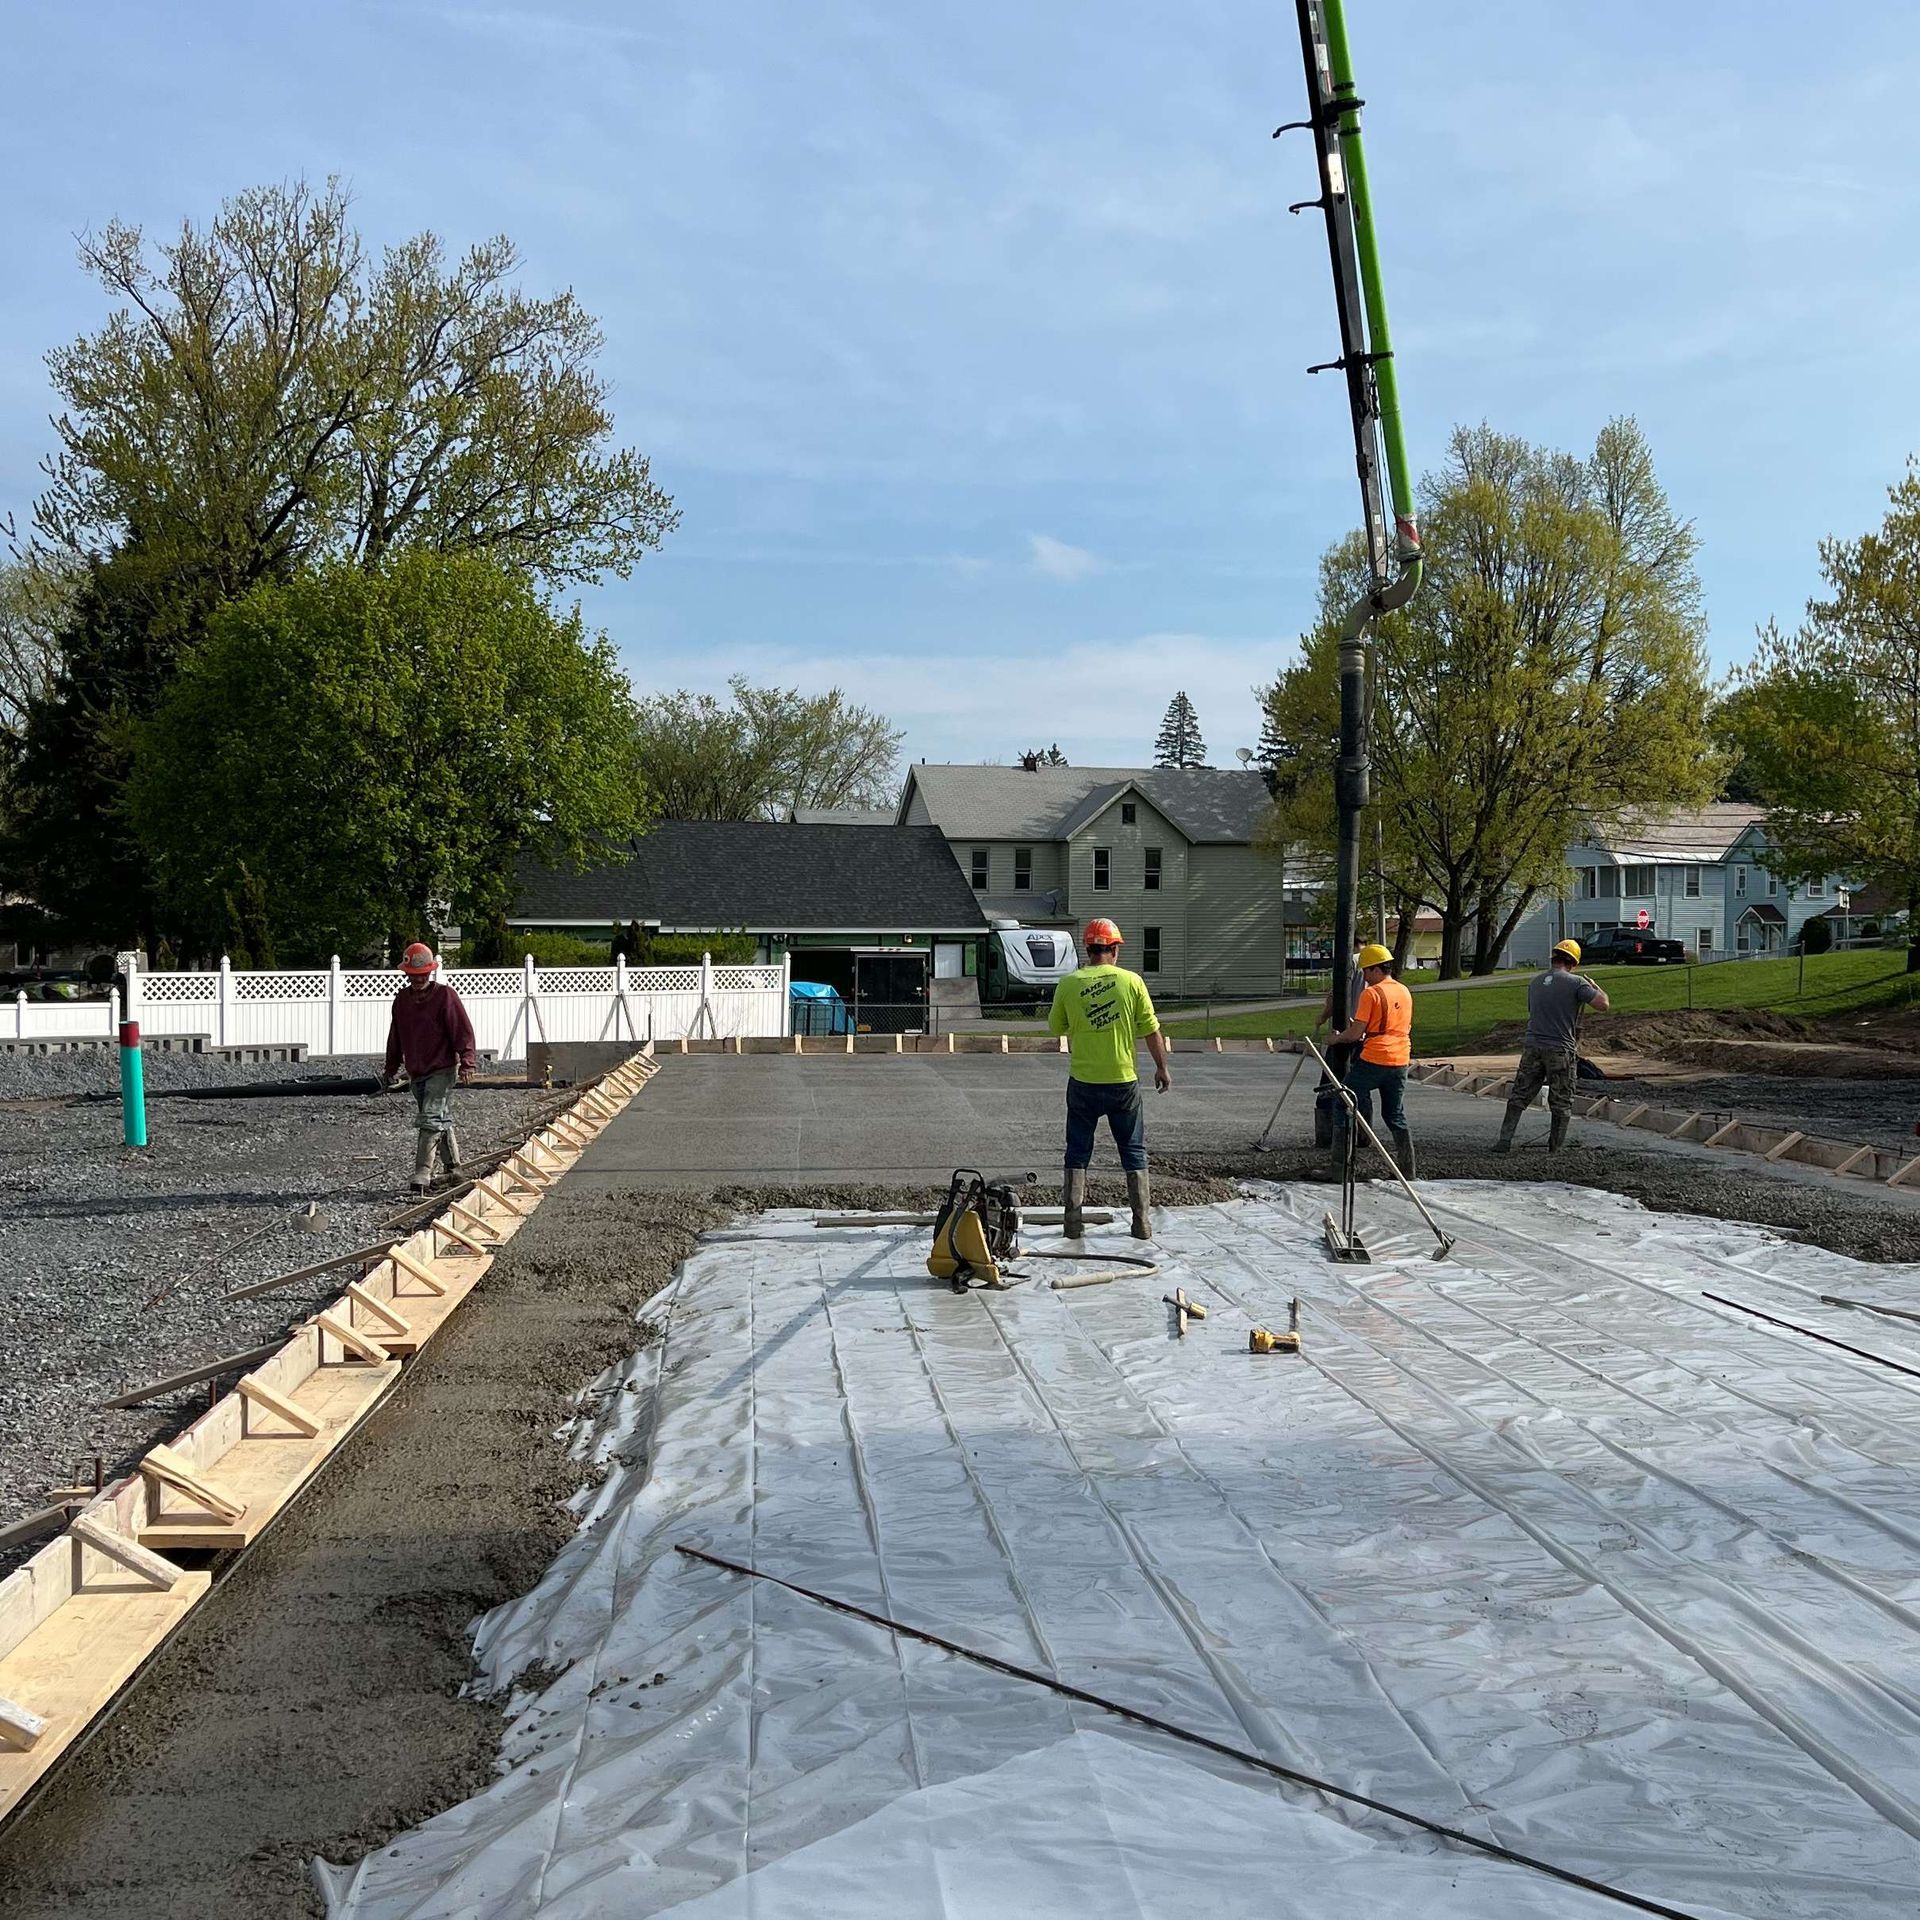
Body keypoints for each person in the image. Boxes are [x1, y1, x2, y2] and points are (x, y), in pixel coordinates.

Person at [1048, 917, 1173, 1240]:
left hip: (1083, 1081)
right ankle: (1141, 1223)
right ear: (1114, 950)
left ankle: (1072, 1223)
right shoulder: (1131, 982)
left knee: (1077, 1151)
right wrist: (1162, 1068)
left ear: (1087, 949)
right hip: (1123, 1081)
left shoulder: (1069, 983)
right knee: (1133, 1150)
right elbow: (1151, 1029)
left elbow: (1056, 1027)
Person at [1494, 938, 1610, 1154]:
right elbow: (1603, 1005)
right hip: (1560, 1049)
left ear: (1553, 957)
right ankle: (1555, 1147)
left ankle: (1504, 1140)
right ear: (1573, 963)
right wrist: (1596, 988)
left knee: (1519, 1095)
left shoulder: (1535, 982)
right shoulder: (1577, 983)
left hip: (1533, 1046)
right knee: (1562, 1100)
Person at [381, 942, 478, 1191]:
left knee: (430, 1118)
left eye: (423, 974)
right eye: (413, 975)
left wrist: (467, 1062)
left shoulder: (445, 996)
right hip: (417, 1072)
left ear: (431, 972)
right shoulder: (402, 1001)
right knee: (439, 1119)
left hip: (442, 1069)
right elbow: (396, 1036)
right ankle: (454, 1168)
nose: (418, 979)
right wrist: (390, 1067)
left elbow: (462, 1031)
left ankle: (422, 1171)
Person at [1326, 942, 1415, 1175]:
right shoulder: (1404, 991)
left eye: (1366, 970)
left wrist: (1336, 1039)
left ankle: (1339, 1169)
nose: (1364, 976)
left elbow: (1356, 1033)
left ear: (1376, 969)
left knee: (1344, 1101)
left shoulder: (1371, 994)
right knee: (1394, 1113)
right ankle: (1408, 1170)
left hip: (1376, 1057)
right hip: (1401, 1058)